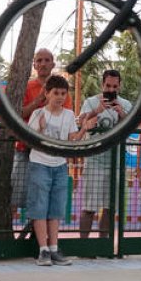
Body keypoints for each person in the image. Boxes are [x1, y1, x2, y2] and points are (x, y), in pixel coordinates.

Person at [26, 74, 89, 265]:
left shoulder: (69, 114)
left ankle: (54, 248)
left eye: (63, 93)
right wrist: (41, 130)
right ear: (47, 93)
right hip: (40, 164)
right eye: (56, 93)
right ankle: (43, 250)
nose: (60, 97)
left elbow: (72, 140)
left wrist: (84, 129)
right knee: (39, 207)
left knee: (56, 208)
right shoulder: (38, 114)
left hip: (60, 165)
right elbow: (30, 139)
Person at [78, 69, 133, 239]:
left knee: (110, 208)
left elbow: (130, 130)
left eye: (114, 86)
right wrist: (96, 111)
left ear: (119, 86)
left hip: (115, 162)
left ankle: (103, 245)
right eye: (108, 85)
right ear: (102, 85)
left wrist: (121, 114)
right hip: (94, 161)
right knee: (89, 207)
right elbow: (80, 122)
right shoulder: (90, 102)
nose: (111, 90)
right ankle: (83, 247)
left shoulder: (126, 104)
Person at [12, 48, 55, 228]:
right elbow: (18, 114)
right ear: (34, 65)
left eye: (47, 60)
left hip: (49, 154)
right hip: (25, 151)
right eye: (40, 60)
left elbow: (67, 115)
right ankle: (7, 238)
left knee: (42, 201)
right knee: (15, 198)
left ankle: (35, 240)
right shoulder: (27, 86)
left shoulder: (61, 88)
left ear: (53, 64)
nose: (43, 64)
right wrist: (38, 100)